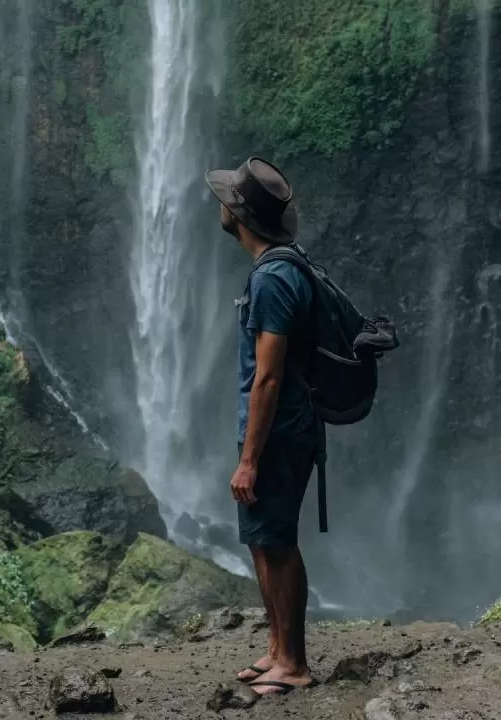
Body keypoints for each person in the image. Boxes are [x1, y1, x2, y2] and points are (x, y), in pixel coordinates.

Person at [205, 158, 318, 697]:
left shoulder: (274, 279)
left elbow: (269, 378)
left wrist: (249, 458)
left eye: (228, 198)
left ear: (241, 215)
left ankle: (293, 663)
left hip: (277, 431)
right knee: (260, 539)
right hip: (268, 428)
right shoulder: (276, 267)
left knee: (276, 541)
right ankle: (276, 649)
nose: (220, 205)